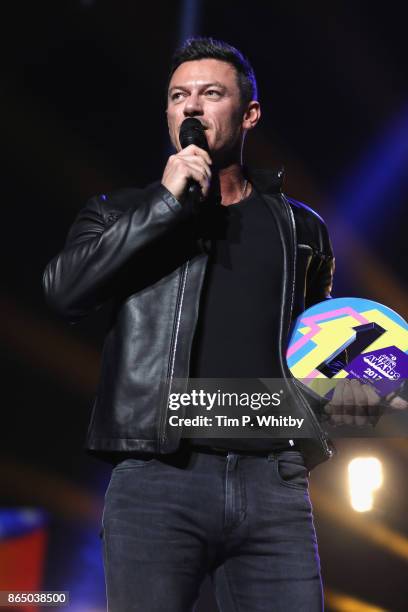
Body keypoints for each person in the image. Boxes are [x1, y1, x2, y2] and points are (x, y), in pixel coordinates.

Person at [42, 37, 405, 612]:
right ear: (166, 113)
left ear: (249, 113)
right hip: (158, 478)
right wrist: (164, 203)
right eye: (178, 96)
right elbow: (64, 292)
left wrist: (347, 402)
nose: (191, 107)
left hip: (273, 484)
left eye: (211, 94)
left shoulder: (301, 230)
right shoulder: (119, 212)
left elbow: (316, 352)